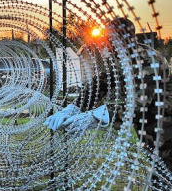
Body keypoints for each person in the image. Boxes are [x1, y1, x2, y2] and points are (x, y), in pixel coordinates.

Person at [45, 17, 172, 174]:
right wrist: (73, 108)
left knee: (165, 174)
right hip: (148, 128)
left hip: (165, 128)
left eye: (110, 39)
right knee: (159, 173)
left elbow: (140, 105)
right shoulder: (122, 59)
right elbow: (100, 84)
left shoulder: (149, 60)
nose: (106, 44)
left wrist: (96, 116)